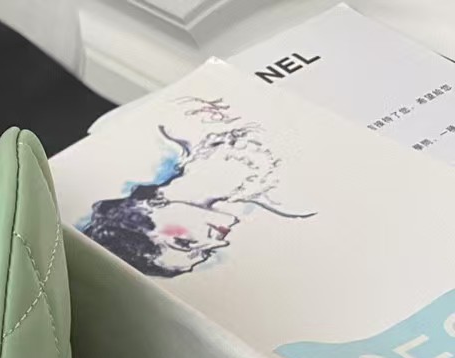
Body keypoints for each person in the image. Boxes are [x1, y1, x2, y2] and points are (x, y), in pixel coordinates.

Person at [77, 98, 315, 278]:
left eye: (185, 243)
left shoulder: (178, 125)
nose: (219, 243)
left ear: (143, 209)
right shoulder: (289, 203)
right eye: (205, 253)